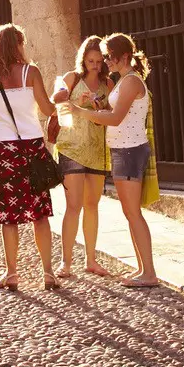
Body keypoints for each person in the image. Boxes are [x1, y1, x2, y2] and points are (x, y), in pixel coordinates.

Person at [77, 31, 159, 287]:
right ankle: (142, 269)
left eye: (110, 57)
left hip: (130, 150)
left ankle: (149, 273)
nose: (106, 62)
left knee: (133, 213)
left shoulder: (132, 82)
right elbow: (113, 112)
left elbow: (116, 119)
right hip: (123, 149)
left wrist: (81, 112)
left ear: (125, 56)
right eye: (105, 57)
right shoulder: (124, 81)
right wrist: (97, 105)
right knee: (129, 212)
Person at [0, 24, 57, 291]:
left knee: (8, 215)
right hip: (31, 145)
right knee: (40, 213)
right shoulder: (30, 72)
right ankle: (47, 272)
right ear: (18, 44)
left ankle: (12, 273)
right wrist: (60, 102)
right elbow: (46, 108)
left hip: (3, 148)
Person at [52, 36, 113, 278]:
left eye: (99, 61)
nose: (95, 65)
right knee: (73, 205)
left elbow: (112, 113)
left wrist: (100, 107)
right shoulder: (72, 78)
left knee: (92, 206)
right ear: (83, 59)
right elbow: (55, 98)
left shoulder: (107, 84)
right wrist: (69, 96)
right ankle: (65, 262)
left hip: (97, 149)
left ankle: (91, 260)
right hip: (71, 147)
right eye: (90, 60)